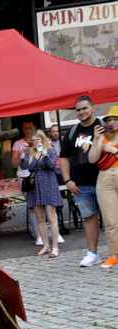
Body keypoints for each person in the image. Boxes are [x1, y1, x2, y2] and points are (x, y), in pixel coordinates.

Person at [61, 96, 106, 267]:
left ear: (93, 108)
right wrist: (68, 180)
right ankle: (93, 253)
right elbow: (64, 158)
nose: (81, 112)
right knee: (89, 218)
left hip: (105, 180)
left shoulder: (104, 126)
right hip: (81, 184)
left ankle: (113, 251)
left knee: (112, 217)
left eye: (84, 108)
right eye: (78, 109)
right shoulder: (72, 132)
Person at [20, 130, 63, 257]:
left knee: (51, 217)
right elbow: (23, 167)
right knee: (40, 218)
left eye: (37, 139)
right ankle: (46, 246)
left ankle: (55, 247)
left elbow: (51, 165)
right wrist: (23, 152)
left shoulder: (51, 151)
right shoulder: (30, 153)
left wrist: (43, 152)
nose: (35, 142)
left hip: (48, 184)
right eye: (33, 139)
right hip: (35, 186)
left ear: (43, 139)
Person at [87, 106, 118, 268]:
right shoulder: (103, 136)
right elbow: (93, 159)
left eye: (115, 119)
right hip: (105, 178)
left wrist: (114, 150)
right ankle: (114, 254)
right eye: (109, 120)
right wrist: (97, 138)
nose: (112, 122)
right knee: (110, 219)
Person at [12, 119, 47, 246]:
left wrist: (39, 147)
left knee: (45, 205)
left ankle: (50, 233)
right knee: (32, 207)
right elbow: (14, 164)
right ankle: (38, 235)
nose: (28, 131)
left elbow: (48, 158)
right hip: (25, 177)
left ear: (35, 127)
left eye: (30, 128)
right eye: (25, 128)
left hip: (40, 176)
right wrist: (23, 152)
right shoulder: (18, 143)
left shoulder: (40, 142)